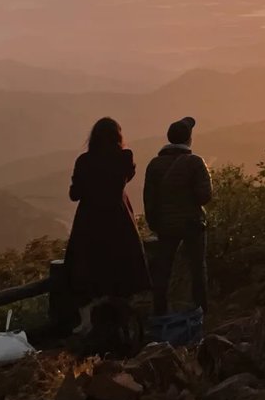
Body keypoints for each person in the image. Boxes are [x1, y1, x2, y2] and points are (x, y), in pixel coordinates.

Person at [63, 117, 151, 330]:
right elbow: (128, 176)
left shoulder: (84, 161)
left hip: (89, 221)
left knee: (88, 269)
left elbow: (74, 194)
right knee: (121, 267)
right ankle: (123, 321)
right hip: (118, 219)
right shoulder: (124, 157)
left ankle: (88, 324)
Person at [144, 116, 212, 316]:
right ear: (188, 139)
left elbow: (149, 200)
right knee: (197, 269)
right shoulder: (195, 163)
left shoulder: (155, 165)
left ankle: (160, 312)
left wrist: (155, 224)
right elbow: (204, 196)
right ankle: (200, 312)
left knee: (163, 270)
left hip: (165, 226)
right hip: (192, 224)